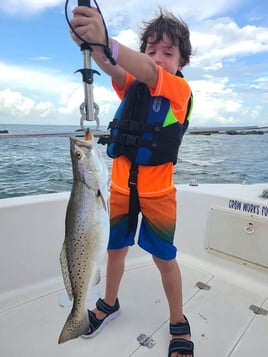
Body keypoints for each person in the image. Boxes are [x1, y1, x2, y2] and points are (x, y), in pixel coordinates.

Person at [70, 5, 194, 357]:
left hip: (158, 196)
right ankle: (109, 303)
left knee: (164, 259)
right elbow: (112, 63)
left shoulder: (176, 92)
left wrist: (105, 39)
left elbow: (144, 69)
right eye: (151, 51)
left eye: (167, 53)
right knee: (114, 251)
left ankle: (177, 320)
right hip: (121, 190)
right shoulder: (132, 86)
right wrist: (89, 40)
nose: (157, 59)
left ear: (181, 62)